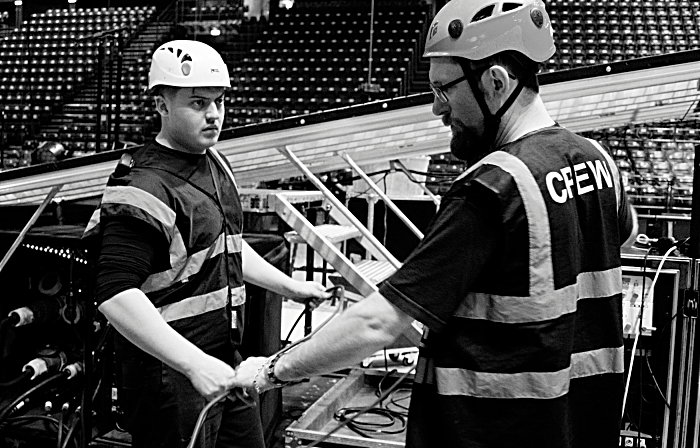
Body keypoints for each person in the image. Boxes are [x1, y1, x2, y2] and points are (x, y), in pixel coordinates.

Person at [232, 1, 638, 447]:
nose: (436, 109)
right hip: (578, 424)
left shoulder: (493, 187)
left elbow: (379, 323)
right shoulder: (599, 161)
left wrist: (271, 370)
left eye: (444, 89)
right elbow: (623, 235)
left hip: (494, 430)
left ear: (496, 81)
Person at [83, 40, 328, 448]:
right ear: (161, 104)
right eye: (198, 103)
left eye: (219, 102)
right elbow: (114, 293)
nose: (214, 114)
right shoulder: (142, 186)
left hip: (223, 358)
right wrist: (193, 364)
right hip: (170, 373)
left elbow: (227, 248)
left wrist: (292, 287)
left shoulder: (215, 162)